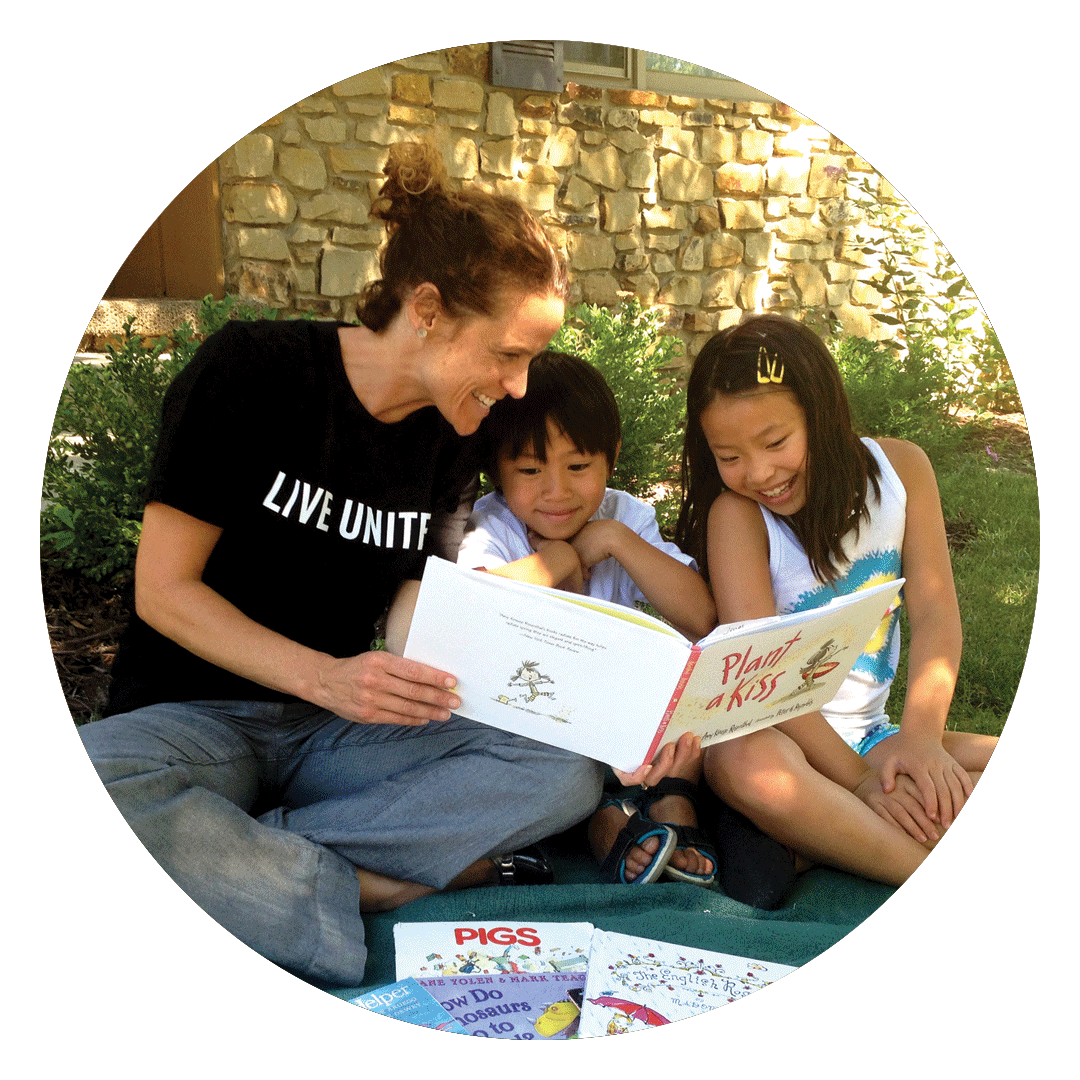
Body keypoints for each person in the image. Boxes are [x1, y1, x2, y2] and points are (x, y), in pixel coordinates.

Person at [78, 140, 605, 988]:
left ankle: (243, 856)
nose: (518, 387)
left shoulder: (445, 435)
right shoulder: (254, 371)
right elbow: (164, 593)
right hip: (199, 716)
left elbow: (410, 603)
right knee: (83, 781)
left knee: (565, 763)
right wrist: (326, 679)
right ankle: (361, 882)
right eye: (508, 354)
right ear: (427, 309)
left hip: (339, 734)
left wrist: (589, 694)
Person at [675, 314, 998, 887]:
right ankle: (929, 876)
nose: (759, 472)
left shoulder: (904, 471)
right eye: (729, 456)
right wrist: (861, 783)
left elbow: (936, 616)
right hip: (783, 744)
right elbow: (764, 679)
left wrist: (920, 745)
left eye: (775, 442)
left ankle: (823, 839)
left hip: (881, 739)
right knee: (746, 766)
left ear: (821, 414)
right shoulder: (737, 517)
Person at [452, 349, 720, 886]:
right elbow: (473, 622)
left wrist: (615, 541)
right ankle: (608, 821)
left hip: (628, 722)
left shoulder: (623, 516)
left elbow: (702, 616)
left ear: (610, 457)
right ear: (495, 471)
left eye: (578, 466)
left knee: (697, 707)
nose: (557, 491)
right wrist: (561, 561)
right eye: (529, 470)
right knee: (537, 760)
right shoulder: (491, 529)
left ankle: (663, 803)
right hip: (533, 724)